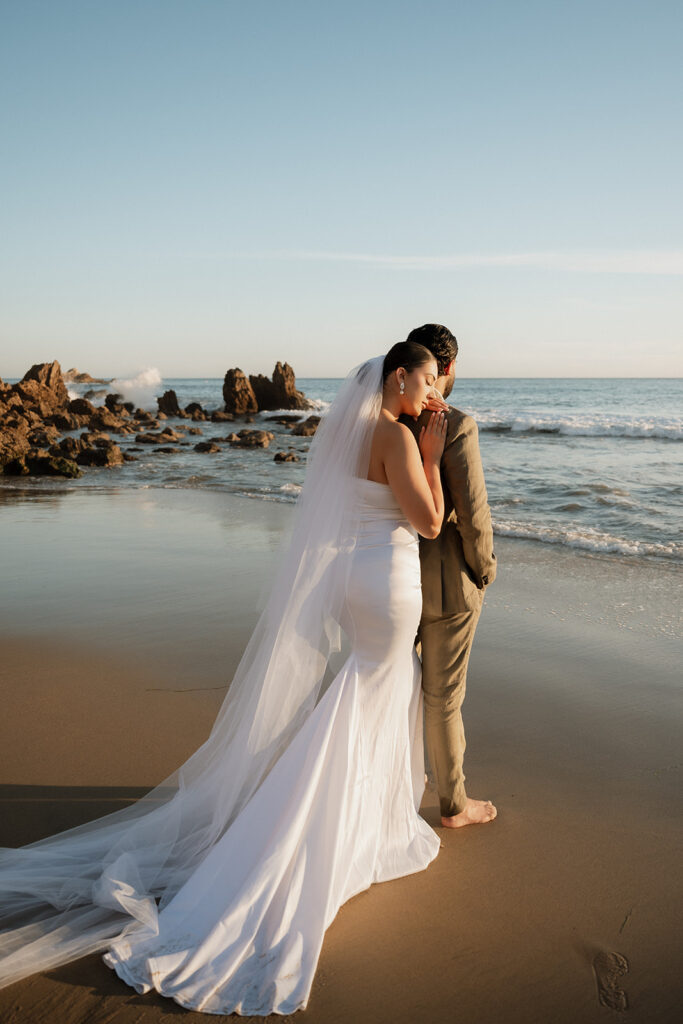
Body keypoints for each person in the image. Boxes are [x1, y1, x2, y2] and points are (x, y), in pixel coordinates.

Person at [0, 342, 451, 1016]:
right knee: (369, 701)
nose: (429, 392)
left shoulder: (354, 432)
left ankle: (353, 823)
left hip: (358, 585)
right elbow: (428, 521)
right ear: (396, 377)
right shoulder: (394, 433)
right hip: (386, 584)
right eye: (423, 380)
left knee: (360, 699)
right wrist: (434, 455)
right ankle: (334, 832)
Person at [400, 324, 498, 828]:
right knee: (442, 699)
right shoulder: (456, 424)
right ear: (450, 368)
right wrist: (484, 570)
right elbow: (474, 514)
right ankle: (454, 806)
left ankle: (389, 788)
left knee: (393, 686)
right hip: (445, 584)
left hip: (392, 576)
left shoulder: (391, 419)